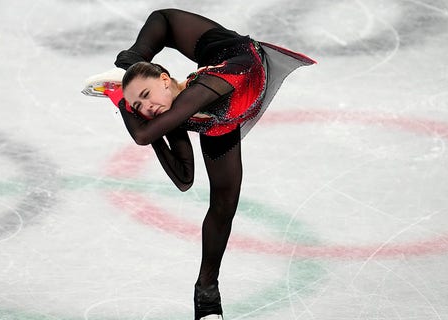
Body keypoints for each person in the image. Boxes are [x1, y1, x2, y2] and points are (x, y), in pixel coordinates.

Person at [83, 8, 315, 320]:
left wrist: (123, 95)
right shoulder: (175, 117)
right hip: (223, 125)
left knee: (163, 21)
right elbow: (183, 178)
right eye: (140, 105)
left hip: (238, 58)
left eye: (146, 95)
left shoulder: (202, 90)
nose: (147, 106)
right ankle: (207, 294)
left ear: (165, 80)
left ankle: (130, 62)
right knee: (223, 206)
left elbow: (162, 19)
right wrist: (141, 113)